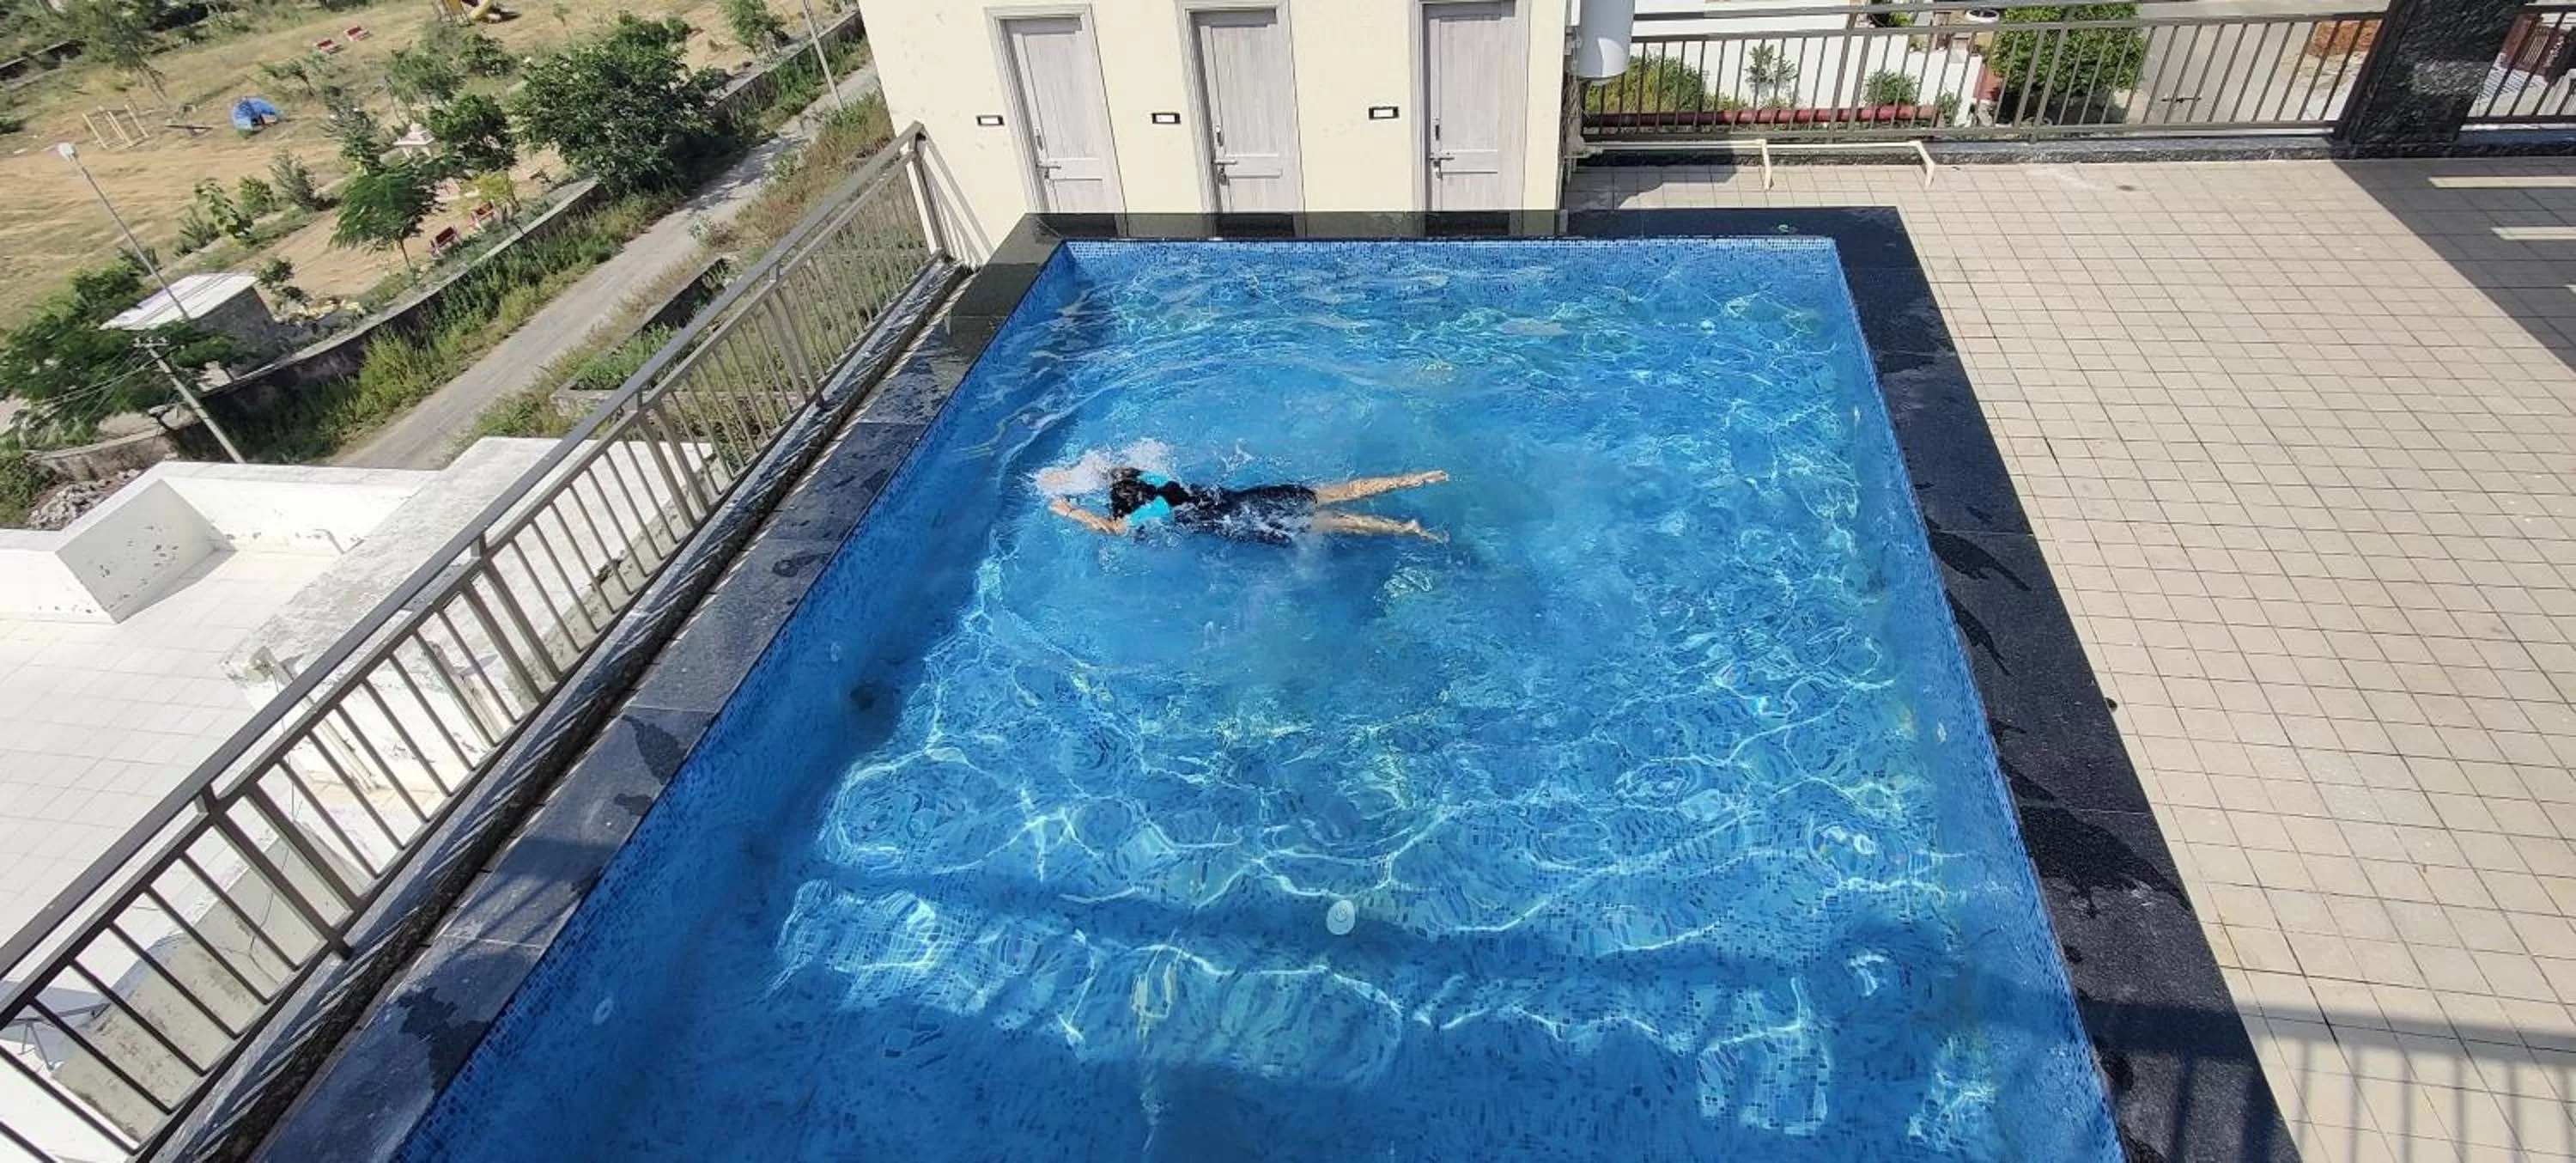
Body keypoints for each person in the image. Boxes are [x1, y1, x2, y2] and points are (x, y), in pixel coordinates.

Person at [1049, 467, 1449, 544]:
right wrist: (1086, 476)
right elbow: (1120, 472)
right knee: (1331, 494)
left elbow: (1111, 528)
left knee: (1332, 524)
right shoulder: (1165, 483)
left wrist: (1070, 510)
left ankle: (1403, 529)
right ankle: (1410, 479)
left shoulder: (1152, 512)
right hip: (1254, 497)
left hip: (1251, 522)